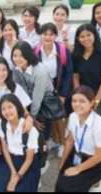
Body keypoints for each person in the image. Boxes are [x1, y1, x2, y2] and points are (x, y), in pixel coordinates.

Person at [0, 57, 33, 171]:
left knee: (15, 162)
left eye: (4, 70)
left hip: (13, 128)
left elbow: (25, 111)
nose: (1, 73)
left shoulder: (15, 88)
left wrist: (29, 119)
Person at [56, 86, 101, 192]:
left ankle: (96, 184)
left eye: (82, 101)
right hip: (77, 155)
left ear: (91, 103)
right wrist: (62, 162)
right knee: (60, 184)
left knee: (68, 188)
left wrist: (77, 169)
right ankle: (94, 183)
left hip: (95, 162)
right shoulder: (73, 116)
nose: (77, 104)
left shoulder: (100, 125)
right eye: (74, 101)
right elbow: (70, 141)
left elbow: (100, 156)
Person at [12, 41, 54, 174]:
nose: (17, 59)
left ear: (29, 55)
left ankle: (43, 160)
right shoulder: (16, 68)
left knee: (41, 131)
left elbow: (38, 97)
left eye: (21, 56)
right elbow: (16, 89)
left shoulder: (39, 70)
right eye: (15, 55)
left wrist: (32, 117)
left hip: (44, 102)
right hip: (27, 100)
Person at [35, 23, 73, 159]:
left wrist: (63, 94)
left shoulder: (62, 50)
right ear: (40, 35)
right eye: (45, 34)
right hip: (42, 87)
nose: (48, 37)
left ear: (55, 36)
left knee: (58, 117)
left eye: (51, 34)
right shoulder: (36, 51)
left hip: (57, 86)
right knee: (47, 115)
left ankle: (63, 143)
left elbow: (69, 73)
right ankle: (55, 141)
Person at [0, 94, 40, 192]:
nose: (7, 111)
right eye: (3, 109)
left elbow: (29, 160)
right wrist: (12, 171)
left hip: (26, 163)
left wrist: (16, 178)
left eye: (10, 107)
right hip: (10, 160)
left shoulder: (30, 130)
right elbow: (4, 148)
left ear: (17, 107)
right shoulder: (2, 124)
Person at [72, 24, 101, 118]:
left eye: (88, 35)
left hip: (100, 95)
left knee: (94, 120)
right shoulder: (76, 55)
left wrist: (96, 101)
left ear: (94, 35)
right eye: (82, 36)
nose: (86, 39)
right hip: (83, 94)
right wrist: (79, 95)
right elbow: (75, 77)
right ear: (78, 38)